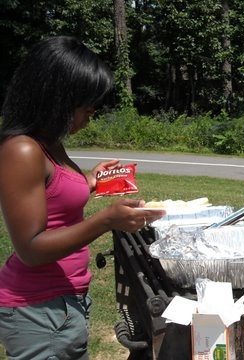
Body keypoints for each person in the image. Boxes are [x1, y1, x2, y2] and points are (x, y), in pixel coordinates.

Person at [0, 36, 165, 359]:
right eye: (86, 105)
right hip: (39, 310)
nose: (91, 113)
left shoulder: (50, 142)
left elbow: (51, 195)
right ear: (55, 97)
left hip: (61, 305)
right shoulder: (21, 150)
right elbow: (31, 248)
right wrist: (106, 220)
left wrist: (89, 181)